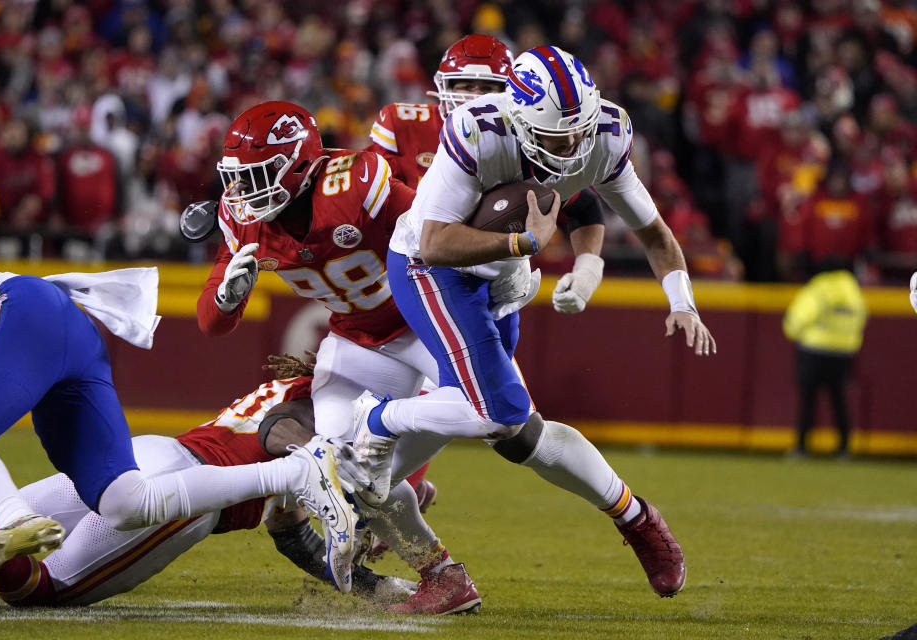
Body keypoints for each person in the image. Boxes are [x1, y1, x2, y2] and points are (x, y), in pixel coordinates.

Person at [357, 45, 718, 600]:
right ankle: (378, 423)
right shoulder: (480, 131)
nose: (570, 148)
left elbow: (650, 232)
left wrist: (681, 301)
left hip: (501, 281)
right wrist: (522, 243)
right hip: (432, 270)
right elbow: (434, 242)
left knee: (517, 433)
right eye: (555, 138)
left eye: (578, 133)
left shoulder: (603, 135)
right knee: (497, 410)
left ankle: (637, 518)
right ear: (521, 120)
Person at [196, 101, 480, 614]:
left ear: (300, 165)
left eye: (259, 175)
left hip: (423, 319)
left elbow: (432, 231)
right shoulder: (242, 220)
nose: (244, 192)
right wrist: (226, 296)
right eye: (240, 178)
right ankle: (443, 576)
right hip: (356, 339)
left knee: (500, 418)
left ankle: (630, 515)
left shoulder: (356, 183)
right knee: (344, 468)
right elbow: (211, 324)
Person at [0, 261, 358, 582]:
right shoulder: (327, 398)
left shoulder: (310, 398)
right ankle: (294, 473)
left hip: (22, 309)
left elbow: (281, 429)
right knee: (123, 503)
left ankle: (13, 519)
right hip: (72, 327)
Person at [366, 34, 608, 526]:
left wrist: (586, 268)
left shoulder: (519, 137)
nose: (474, 94)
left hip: (482, 289)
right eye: (463, 83)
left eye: (486, 84)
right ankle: (367, 488)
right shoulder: (403, 125)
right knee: (492, 410)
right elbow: (375, 215)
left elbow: (584, 206)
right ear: (439, 88)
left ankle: (389, 486)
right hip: (405, 280)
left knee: (501, 417)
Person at [0, 355, 411, 607]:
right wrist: (344, 479)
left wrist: (370, 584)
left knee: (6, 509)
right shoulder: (327, 409)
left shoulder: (296, 385)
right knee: (42, 589)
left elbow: (292, 536)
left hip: (143, 454)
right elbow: (280, 431)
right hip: (186, 495)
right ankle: (1, 556)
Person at [783, 260, 867, 457]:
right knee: (840, 401)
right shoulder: (853, 290)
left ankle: (802, 447)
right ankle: (844, 448)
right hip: (843, 353)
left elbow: (798, 318)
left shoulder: (819, 287)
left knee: (808, 400)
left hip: (814, 351)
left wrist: (795, 333)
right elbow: (862, 318)